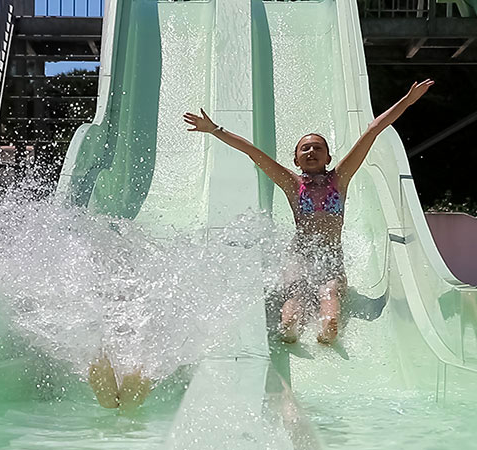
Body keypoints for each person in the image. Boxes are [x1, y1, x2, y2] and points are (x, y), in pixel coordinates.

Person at [183, 80, 434, 344]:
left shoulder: (340, 179)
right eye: (305, 148)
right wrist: (214, 130)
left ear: (328, 157)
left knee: (331, 295)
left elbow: (372, 131)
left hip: (331, 258)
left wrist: (406, 101)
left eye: (318, 148)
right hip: (300, 256)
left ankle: (328, 331)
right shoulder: (292, 184)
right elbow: (251, 151)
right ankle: (289, 328)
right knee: (293, 300)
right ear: (296, 159)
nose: (311, 151)